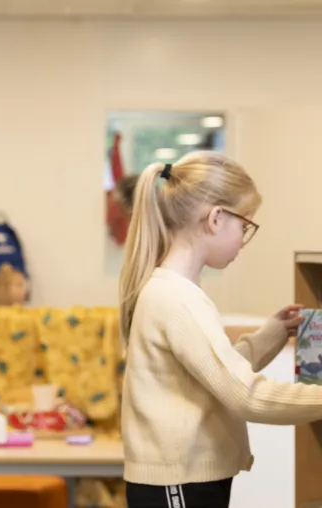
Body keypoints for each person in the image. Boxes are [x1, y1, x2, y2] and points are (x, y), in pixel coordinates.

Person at [118, 151, 322, 508]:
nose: (243, 241)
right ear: (215, 219)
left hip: (186, 481)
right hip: (178, 484)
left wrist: (269, 336)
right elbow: (247, 395)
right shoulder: (178, 300)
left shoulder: (175, 293)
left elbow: (213, 372)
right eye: (245, 227)